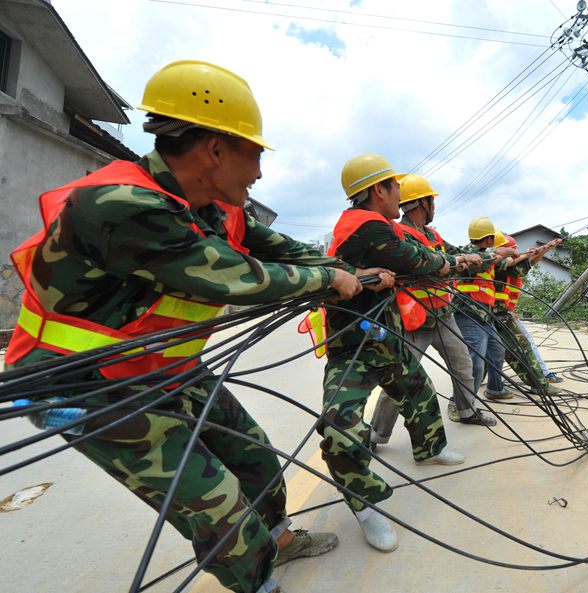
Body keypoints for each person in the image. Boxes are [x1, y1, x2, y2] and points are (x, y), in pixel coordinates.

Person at [4, 60, 377, 593]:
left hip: (167, 366)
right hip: (87, 384)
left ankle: (282, 541)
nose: (260, 173)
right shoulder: (120, 203)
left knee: (256, 459)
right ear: (215, 149)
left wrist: (344, 271)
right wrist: (328, 281)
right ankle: (258, 582)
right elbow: (234, 277)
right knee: (217, 505)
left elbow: (286, 251)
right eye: (255, 155)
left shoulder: (215, 208)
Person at [318, 154, 465, 554]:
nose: (400, 192)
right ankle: (367, 510)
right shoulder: (366, 226)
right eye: (394, 185)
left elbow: (412, 261)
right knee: (339, 428)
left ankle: (430, 449)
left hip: (386, 337)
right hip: (355, 347)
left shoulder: (374, 225)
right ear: (378, 190)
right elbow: (418, 260)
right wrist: (455, 264)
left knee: (418, 391)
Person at [368, 174, 496, 448]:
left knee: (463, 366)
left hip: (443, 316)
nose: (434, 206)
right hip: (415, 320)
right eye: (431, 201)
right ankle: (376, 435)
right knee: (399, 381)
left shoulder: (433, 234)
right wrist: (457, 260)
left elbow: (455, 254)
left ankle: (466, 411)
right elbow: (430, 263)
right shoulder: (399, 233)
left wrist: (486, 257)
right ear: (421, 203)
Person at [491, 233, 563, 395]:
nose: (515, 252)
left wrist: (546, 248)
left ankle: (494, 387)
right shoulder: (496, 262)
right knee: (521, 346)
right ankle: (540, 380)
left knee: (494, 350)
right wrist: (531, 252)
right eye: (512, 250)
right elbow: (515, 261)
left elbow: (529, 261)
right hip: (498, 313)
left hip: (503, 311)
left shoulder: (509, 265)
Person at [453, 217, 516, 400]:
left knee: (497, 351)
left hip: (484, 316)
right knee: (474, 364)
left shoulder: (487, 256)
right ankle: (459, 403)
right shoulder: (470, 254)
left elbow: (508, 263)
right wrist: (507, 252)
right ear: (488, 239)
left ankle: (495, 390)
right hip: (468, 315)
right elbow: (496, 257)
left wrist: (531, 253)